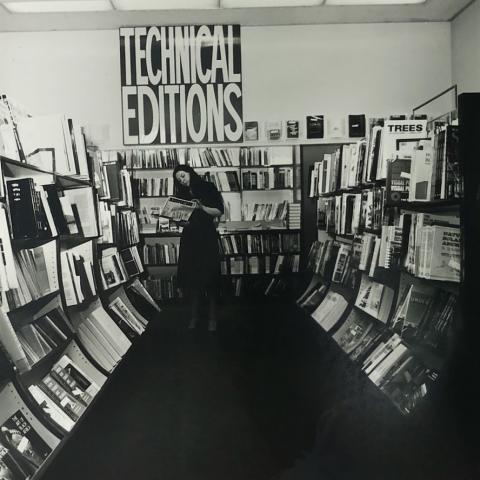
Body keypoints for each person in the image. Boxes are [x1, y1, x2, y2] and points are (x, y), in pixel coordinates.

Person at [172, 164, 224, 331]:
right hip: (190, 238)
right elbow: (181, 222)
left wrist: (201, 207)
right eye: (179, 178)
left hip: (207, 236)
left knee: (211, 278)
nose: (182, 180)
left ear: (190, 173)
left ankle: (213, 319)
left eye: (183, 175)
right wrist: (177, 219)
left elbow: (218, 211)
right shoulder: (180, 194)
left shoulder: (208, 187)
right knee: (192, 279)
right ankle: (194, 317)